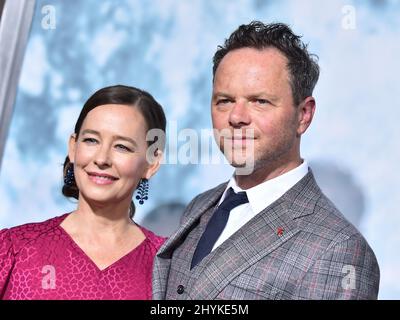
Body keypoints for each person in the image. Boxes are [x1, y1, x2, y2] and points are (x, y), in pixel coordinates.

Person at [152, 22, 380, 300]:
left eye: (259, 101)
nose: (236, 117)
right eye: (224, 100)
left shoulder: (339, 249)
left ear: (304, 114)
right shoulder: (200, 206)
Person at [0, 85, 166, 299]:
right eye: (91, 140)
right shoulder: (14, 249)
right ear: (73, 147)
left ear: (151, 164)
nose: (101, 158)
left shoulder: (167, 266)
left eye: (122, 147)